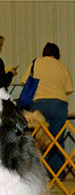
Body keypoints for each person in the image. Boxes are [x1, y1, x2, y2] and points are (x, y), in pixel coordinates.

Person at [21, 42, 73, 179]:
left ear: (44, 52)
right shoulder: (62, 66)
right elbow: (69, 89)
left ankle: (39, 175)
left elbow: (24, 81)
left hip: (39, 104)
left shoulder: (36, 63)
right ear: (58, 54)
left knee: (39, 142)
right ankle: (58, 175)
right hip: (59, 104)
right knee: (56, 141)